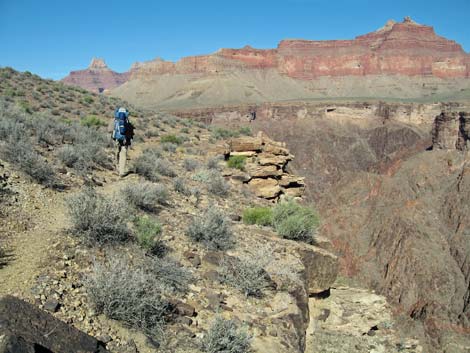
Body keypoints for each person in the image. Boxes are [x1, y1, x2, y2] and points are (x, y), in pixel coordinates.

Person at [109, 107, 134, 177]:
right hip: (125, 141)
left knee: (116, 153)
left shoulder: (114, 120)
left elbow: (109, 130)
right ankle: (121, 171)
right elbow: (131, 132)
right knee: (123, 154)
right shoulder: (127, 121)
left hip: (116, 140)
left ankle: (117, 168)